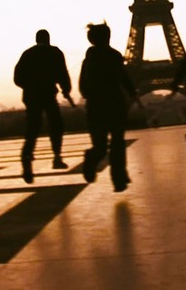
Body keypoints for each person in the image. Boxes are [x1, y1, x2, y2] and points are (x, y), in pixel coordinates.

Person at [79, 23, 139, 192]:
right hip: (115, 104)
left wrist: (91, 95)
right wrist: (133, 93)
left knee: (100, 146)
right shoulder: (114, 55)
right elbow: (123, 77)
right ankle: (119, 179)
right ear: (108, 37)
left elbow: (82, 86)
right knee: (118, 143)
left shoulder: (88, 60)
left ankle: (91, 159)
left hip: (95, 107)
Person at [14, 29, 75, 184]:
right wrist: (65, 89)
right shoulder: (55, 52)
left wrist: (29, 86)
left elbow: (17, 77)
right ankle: (57, 157)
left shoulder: (27, 54)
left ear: (36, 40)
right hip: (48, 93)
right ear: (48, 39)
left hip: (31, 95)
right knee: (56, 124)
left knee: (32, 127)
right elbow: (63, 73)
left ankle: (26, 155)